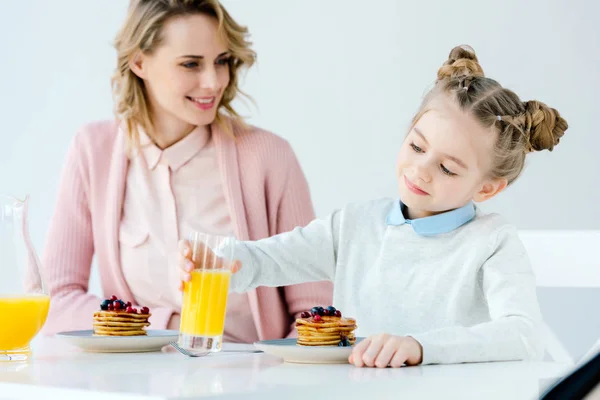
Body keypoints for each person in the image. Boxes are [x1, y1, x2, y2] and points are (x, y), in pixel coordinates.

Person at [179, 45, 568, 367]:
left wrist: (420, 347)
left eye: (447, 168)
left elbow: (522, 334)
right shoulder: (355, 225)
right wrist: (216, 257)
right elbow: (268, 259)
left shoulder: (492, 242)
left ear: (487, 189)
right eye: (416, 146)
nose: (420, 170)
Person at [41, 0, 332, 342]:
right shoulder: (93, 150)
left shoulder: (269, 157)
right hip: (135, 385)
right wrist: (168, 325)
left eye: (221, 61)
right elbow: (54, 301)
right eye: (191, 64)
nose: (213, 81)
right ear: (139, 62)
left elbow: (314, 315)